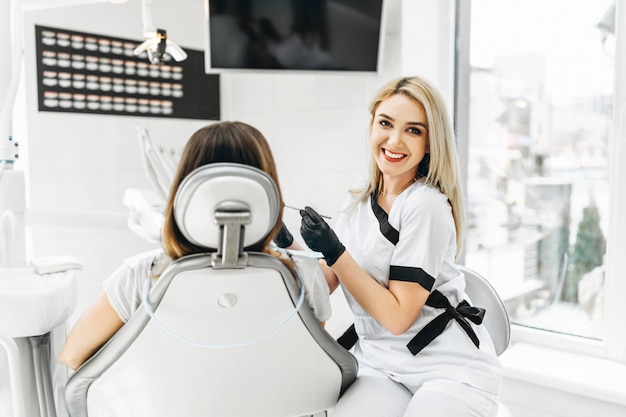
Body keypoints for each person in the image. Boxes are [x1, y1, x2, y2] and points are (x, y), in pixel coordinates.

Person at [298, 76, 503, 416]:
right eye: (386, 123)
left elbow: (398, 317)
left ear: (430, 143)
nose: (394, 140)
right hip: (382, 366)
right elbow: (328, 282)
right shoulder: (357, 203)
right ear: (372, 125)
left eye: (413, 130)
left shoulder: (426, 206)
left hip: (449, 370)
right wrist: (285, 254)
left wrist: (335, 251)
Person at [59, 121, 331, 371]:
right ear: (268, 189)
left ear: (184, 190)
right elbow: (307, 365)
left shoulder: (140, 276)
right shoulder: (305, 275)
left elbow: (73, 357)